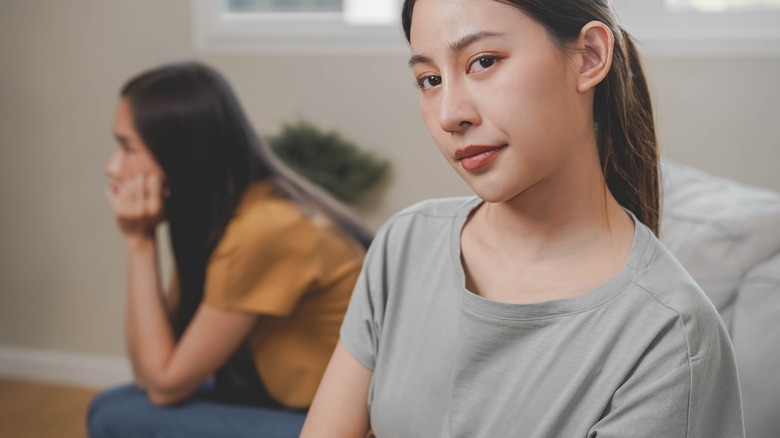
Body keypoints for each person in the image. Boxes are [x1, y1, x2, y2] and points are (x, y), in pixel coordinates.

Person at [301, 0, 745, 436]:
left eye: (484, 61)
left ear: (589, 56)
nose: (450, 114)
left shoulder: (668, 337)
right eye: (430, 79)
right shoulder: (406, 244)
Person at [87, 62, 370, 438]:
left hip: (337, 425)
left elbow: (164, 385)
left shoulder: (264, 229)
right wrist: (143, 241)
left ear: (178, 151)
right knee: (113, 402)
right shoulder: (228, 211)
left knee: (115, 417)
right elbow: (149, 370)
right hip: (283, 401)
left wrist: (138, 244)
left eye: (127, 147)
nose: (113, 167)